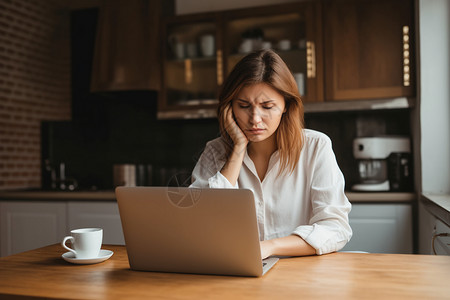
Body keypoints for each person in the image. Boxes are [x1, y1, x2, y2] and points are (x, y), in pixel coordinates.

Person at [190, 49, 352, 259]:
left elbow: (335, 227)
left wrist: (269, 247)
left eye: (267, 106)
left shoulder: (316, 147)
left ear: (286, 105)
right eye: (243, 106)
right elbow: (199, 223)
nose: (255, 118)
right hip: (235, 274)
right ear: (229, 108)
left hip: (301, 276)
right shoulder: (215, 151)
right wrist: (238, 149)